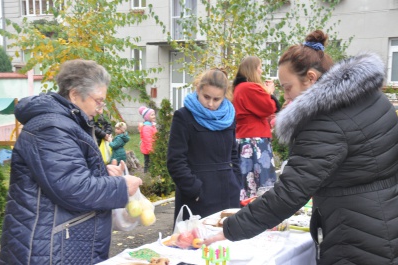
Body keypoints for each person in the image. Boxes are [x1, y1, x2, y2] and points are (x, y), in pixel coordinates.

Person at [204, 30, 398, 265]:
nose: (284, 96)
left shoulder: (325, 120)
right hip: (383, 216)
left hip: (357, 233)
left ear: (312, 78)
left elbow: (290, 191)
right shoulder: (370, 98)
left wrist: (231, 229)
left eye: (287, 87)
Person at [0, 59, 143, 265]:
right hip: (48, 246)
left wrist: (102, 172)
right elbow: (71, 186)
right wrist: (120, 186)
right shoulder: (51, 127)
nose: (101, 109)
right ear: (75, 94)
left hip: (58, 239)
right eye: (98, 101)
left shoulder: (66, 122)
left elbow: (68, 172)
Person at [167, 68, 241, 222]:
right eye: (206, 97)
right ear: (198, 89)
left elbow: (234, 154)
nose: (210, 104)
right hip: (198, 199)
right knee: (197, 243)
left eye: (217, 99)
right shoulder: (184, 116)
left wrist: (236, 181)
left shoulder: (228, 116)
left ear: (224, 96)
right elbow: (176, 160)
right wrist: (195, 189)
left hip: (228, 193)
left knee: (227, 243)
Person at [232, 56, 280, 200]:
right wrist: (269, 92)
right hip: (255, 139)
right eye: (259, 67)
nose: (261, 70)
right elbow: (269, 107)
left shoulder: (239, 88)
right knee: (261, 179)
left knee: (247, 178)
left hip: (244, 137)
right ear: (252, 69)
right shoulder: (249, 87)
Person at [138, 106, 157, 173]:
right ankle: (147, 175)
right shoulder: (147, 127)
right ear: (147, 117)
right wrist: (151, 150)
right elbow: (147, 140)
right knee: (148, 163)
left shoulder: (151, 125)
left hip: (152, 148)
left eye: (154, 114)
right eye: (152, 115)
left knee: (150, 163)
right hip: (148, 150)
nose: (154, 116)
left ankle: (150, 174)